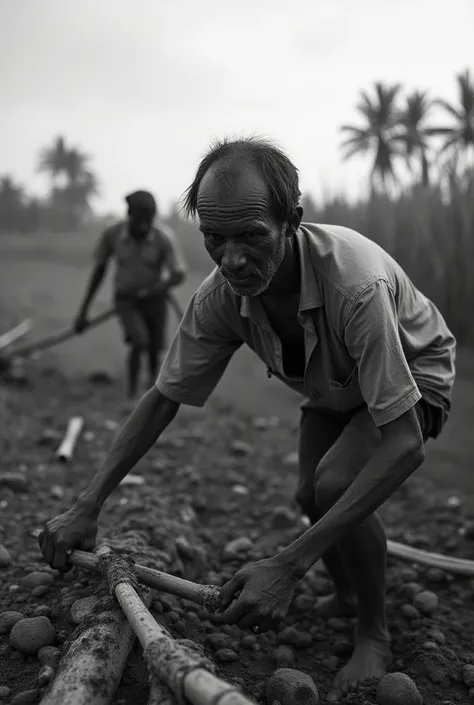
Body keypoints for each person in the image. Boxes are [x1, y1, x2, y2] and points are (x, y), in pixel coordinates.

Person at [39, 138, 456, 701]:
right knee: (311, 494)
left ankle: (373, 630)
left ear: (292, 223)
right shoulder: (220, 297)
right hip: (332, 382)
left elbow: (405, 444)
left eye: (252, 236)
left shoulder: (354, 287)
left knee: (335, 484)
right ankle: (351, 591)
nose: (232, 258)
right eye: (215, 239)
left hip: (412, 374)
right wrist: (87, 504)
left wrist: (286, 566)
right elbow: (164, 397)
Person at [74, 190, 186, 398]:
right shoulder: (112, 234)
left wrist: (155, 289)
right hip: (125, 299)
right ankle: (131, 394)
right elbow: (99, 270)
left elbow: (179, 274)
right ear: (129, 214)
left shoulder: (163, 237)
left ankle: (153, 392)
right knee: (138, 340)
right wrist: (83, 312)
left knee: (154, 349)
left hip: (155, 299)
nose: (144, 226)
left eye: (148, 219)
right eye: (139, 219)